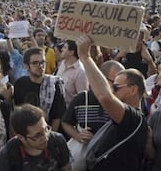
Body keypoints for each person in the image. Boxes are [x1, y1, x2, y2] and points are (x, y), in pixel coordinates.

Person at [76, 35, 149, 171]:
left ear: (133, 89)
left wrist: (85, 57)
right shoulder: (129, 118)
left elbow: (105, 97)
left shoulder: (134, 118)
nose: (112, 91)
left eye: (116, 87)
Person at [61, 60, 124, 144]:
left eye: (121, 84)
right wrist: (78, 135)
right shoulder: (82, 99)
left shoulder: (122, 101)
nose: (118, 87)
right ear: (102, 79)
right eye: (114, 83)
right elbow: (66, 122)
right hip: (86, 153)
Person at [0, 104, 71, 171]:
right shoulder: (8, 154)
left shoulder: (57, 142)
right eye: (38, 135)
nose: (45, 137)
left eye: (46, 129)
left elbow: (67, 168)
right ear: (21, 137)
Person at [13, 47, 66, 131]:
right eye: (35, 63)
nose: (40, 66)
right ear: (26, 66)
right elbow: (17, 111)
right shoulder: (20, 83)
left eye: (42, 62)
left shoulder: (54, 85)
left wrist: (48, 137)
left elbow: (57, 118)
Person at [56, 40, 89, 105]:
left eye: (65, 47)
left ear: (71, 52)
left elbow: (82, 98)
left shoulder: (80, 72)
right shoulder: (62, 63)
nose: (62, 49)